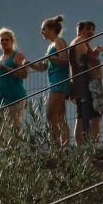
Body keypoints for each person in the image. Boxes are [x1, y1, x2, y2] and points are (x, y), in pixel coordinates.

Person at [30, 15, 70, 145]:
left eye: (44, 29)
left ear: (52, 29)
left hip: (59, 82)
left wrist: (52, 58)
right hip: (55, 82)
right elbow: (43, 67)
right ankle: (64, 144)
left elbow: (65, 61)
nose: (41, 32)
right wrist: (29, 64)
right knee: (60, 116)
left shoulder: (59, 41)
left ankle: (56, 144)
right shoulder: (51, 45)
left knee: (50, 114)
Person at [69, 20, 103, 144]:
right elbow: (83, 64)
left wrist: (95, 52)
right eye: (87, 29)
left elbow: (87, 59)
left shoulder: (84, 43)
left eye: (92, 29)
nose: (91, 32)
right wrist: (95, 80)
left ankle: (93, 144)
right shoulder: (79, 42)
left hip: (89, 84)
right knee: (83, 116)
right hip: (87, 84)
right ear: (79, 31)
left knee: (94, 116)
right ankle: (84, 146)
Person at [0, 28, 29, 128]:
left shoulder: (17, 55)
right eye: (2, 40)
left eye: (6, 39)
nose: (4, 41)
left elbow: (24, 74)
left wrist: (7, 68)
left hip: (15, 98)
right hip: (0, 101)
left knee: (13, 130)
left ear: (12, 41)